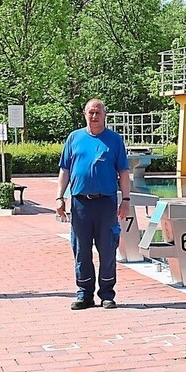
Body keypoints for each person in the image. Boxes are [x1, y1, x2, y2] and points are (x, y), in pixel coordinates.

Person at [56, 98, 131, 310]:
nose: (95, 116)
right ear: (84, 114)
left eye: (98, 112)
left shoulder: (114, 140)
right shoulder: (74, 138)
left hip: (105, 203)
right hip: (80, 203)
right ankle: (84, 293)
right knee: (81, 250)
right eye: (91, 112)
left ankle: (107, 293)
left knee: (107, 249)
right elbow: (65, 170)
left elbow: (123, 172)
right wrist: (59, 197)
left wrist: (125, 200)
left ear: (104, 115)